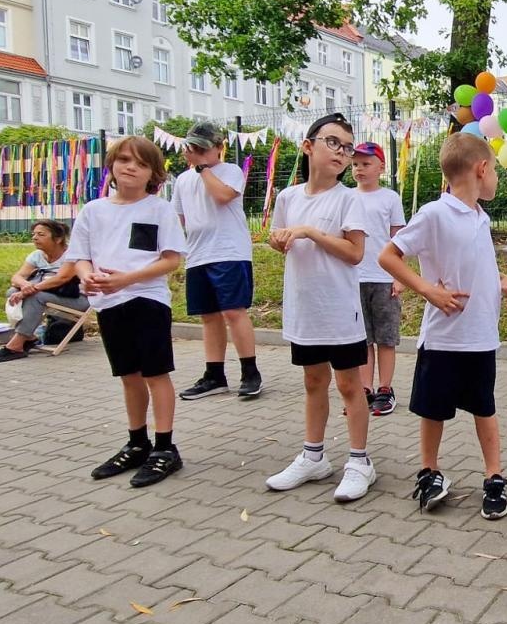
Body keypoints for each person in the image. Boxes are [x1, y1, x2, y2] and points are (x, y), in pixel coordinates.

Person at [380, 132, 507, 520]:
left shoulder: (480, 217)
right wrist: (427, 290)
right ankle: (429, 472)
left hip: (480, 338)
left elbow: (475, 262)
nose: (495, 181)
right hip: (443, 338)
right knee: (434, 410)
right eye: (495, 173)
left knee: (484, 408)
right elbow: (388, 256)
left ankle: (494, 477)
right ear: (482, 168)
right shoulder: (434, 214)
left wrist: (500, 279)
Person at [264, 114, 377, 501]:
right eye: (333, 142)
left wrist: (311, 232)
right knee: (313, 381)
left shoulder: (350, 199)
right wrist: (279, 242)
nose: (341, 153)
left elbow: (355, 253)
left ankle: (360, 462)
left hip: (339, 309)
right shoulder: (288, 197)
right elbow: (278, 241)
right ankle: (314, 457)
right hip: (304, 308)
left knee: (349, 385)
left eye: (347, 148)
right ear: (308, 146)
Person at [65, 136, 187, 488]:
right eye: (124, 160)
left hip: (146, 299)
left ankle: (165, 447)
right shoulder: (94, 210)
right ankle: (137, 442)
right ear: (112, 166)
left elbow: (170, 260)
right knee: (129, 376)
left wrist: (128, 280)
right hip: (108, 303)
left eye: (140, 163)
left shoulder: (158, 209)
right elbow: (80, 256)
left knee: (155, 373)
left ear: (152, 172)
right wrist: (88, 277)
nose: (130, 167)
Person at [173, 121, 261, 401]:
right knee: (208, 316)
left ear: (219, 148)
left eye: (203, 148)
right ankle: (214, 374)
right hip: (198, 254)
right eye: (192, 147)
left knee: (234, 311)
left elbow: (223, 197)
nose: (196, 152)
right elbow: (181, 218)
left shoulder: (231, 171)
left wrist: (202, 169)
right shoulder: (183, 180)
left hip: (229, 252)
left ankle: (250, 371)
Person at [351, 141, 407, 416]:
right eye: (355, 164)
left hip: (383, 278)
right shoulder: (347, 198)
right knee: (362, 339)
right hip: (354, 278)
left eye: (366, 164)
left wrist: (399, 276)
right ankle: (364, 388)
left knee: (385, 338)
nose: (359, 169)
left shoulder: (390, 198)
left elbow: (399, 239)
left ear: (381, 167)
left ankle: (385, 389)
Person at [0, 219, 88, 362]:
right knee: (11, 292)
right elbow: (17, 277)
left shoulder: (72, 255)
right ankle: (29, 337)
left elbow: (61, 278)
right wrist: (24, 285)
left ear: (58, 239)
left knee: (35, 296)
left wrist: (29, 290)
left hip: (77, 299)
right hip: (49, 293)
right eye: (34, 234)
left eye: (41, 234)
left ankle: (16, 346)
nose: (34, 237)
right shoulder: (37, 255)